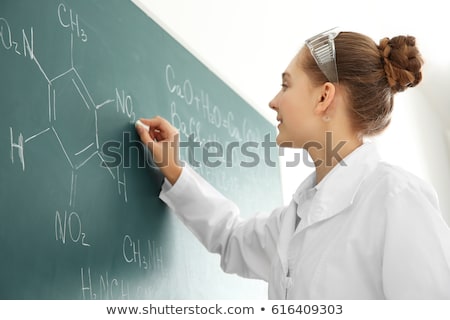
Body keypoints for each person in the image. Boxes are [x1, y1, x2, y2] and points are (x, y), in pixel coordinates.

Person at [135, 29, 450, 299]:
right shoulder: (296, 219)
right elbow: (231, 238)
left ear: (323, 97)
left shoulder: (395, 198)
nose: (274, 101)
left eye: (286, 85)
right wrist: (174, 170)